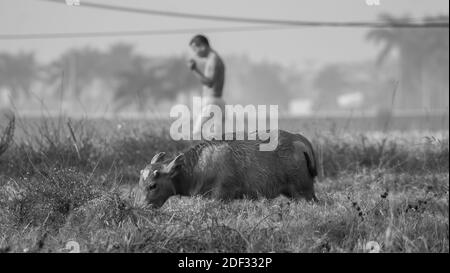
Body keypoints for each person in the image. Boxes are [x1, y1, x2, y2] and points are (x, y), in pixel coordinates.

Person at [187, 34, 226, 140]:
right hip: (217, 101)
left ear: (203, 46)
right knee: (215, 137)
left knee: (197, 133)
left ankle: (199, 156)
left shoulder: (213, 60)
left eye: (195, 49)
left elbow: (209, 82)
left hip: (212, 102)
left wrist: (194, 69)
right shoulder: (214, 59)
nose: (195, 53)